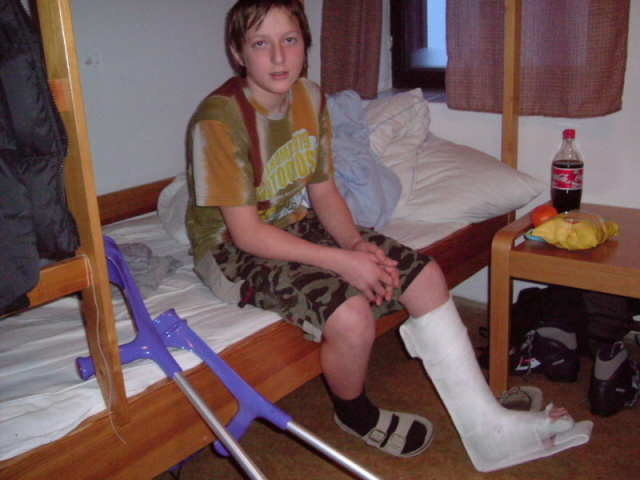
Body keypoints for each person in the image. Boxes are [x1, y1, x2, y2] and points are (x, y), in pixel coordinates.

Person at [185, 0, 592, 470]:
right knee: (351, 315)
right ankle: (353, 414)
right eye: (261, 44)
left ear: (304, 44)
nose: (278, 57)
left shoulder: (309, 98)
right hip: (230, 246)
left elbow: (324, 192)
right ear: (238, 53)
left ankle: (486, 423)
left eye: (289, 40)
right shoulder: (220, 119)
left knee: (426, 276)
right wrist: (343, 263)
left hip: (293, 221)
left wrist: (356, 245)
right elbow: (247, 233)